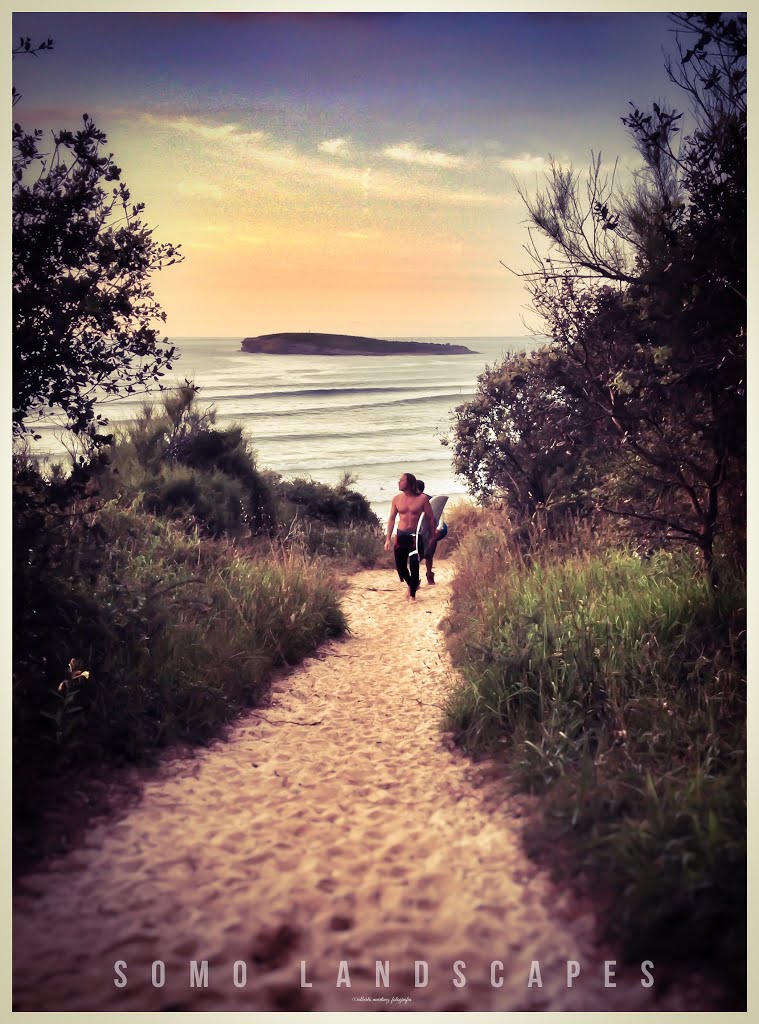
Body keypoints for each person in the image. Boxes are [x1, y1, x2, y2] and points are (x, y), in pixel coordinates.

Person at [385, 472, 435, 600]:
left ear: (409, 483)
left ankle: (412, 596)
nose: (399, 482)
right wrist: (387, 539)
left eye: (401, 480)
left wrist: (431, 536)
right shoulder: (396, 499)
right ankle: (411, 585)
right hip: (401, 535)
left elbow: (430, 518)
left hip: (415, 537)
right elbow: (391, 519)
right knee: (400, 568)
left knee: (414, 565)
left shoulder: (422, 499)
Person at [415, 479, 448, 585]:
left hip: (433, 529)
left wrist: (438, 528)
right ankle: (416, 578)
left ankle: (429, 574)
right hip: (420, 530)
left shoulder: (428, 499)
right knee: (416, 554)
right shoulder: (411, 500)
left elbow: (440, 513)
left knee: (429, 554)